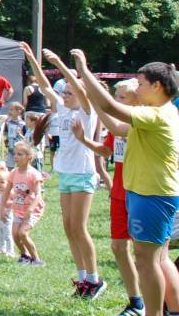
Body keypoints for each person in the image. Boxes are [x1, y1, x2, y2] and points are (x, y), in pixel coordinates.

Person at [73, 51, 176, 315]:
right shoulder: (156, 112)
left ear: (157, 86)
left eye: (141, 84)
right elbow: (117, 127)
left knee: (147, 260)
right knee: (154, 259)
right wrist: (93, 99)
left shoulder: (157, 115)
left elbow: (110, 108)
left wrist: (84, 72)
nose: (137, 90)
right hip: (145, 193)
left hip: (152, 194)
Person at [23, 43, 105, 298]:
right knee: (68, 227)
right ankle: (83, 280)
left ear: (81, 95)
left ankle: (95, 280)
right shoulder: (63, 108)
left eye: (71, 92)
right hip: (66, 174)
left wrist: (60, 63)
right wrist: (31, 59)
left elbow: (78, 86)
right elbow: (47, 86)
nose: (66, 94)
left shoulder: (87, 112)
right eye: (65, 92)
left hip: (82, 173)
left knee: (79, 228)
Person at [74, 79, 143, 315]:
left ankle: (157, 301)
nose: (116, 101)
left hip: (141, 194)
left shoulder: (143, 123)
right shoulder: (119, 126)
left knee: (145, 253)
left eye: (122, 97)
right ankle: (136, 301)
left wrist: (93, 95)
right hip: (119, 195)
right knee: (118, 247)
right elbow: (107, 150)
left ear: (138, 98)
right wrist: (84, 140)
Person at [4, 141, 47, 266]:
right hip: (18, 209)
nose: (16, 157)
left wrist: (30, 210)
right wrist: (3, 207)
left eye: (20, 154)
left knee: (22, 233)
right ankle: (24, 255)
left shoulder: (34, 174)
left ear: (29, 158)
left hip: (32, 210)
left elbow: (39, 194)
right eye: (15, 154)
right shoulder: (14, 173)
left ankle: (37, 259)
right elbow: (7, 191)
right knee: (15, 234)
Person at [0, 163, 14, 258]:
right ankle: (2, 247)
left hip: (7, 217)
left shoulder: (10, 192)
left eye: (2, 182)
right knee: (0, 232)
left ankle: (10, 250)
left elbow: (15, 202)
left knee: (8, 234)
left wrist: (9, 204)